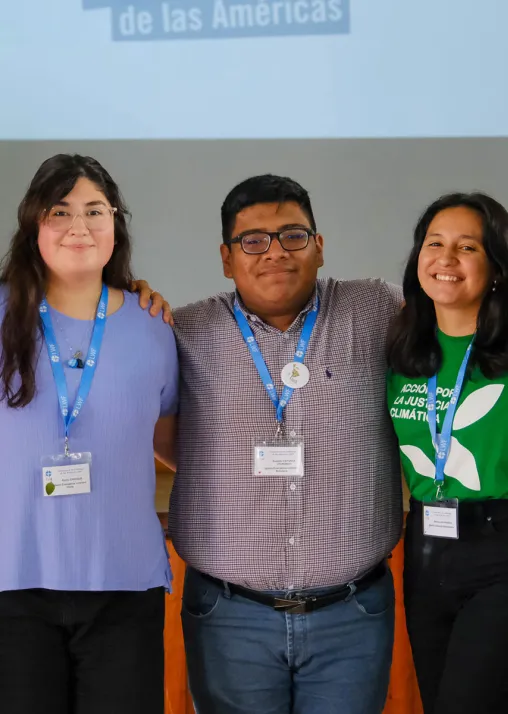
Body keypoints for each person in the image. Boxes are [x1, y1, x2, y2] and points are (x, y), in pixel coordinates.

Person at [168, 174, 403, 714]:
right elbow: (162, 435)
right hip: (229, 616)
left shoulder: (376, 310)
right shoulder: (183, 331)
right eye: (253, 240)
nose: (274, 252)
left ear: (319, 247)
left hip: (353, 615)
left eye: (292, 235)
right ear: (227, 258)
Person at [0, 154, 178, 714]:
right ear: (34, 225)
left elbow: (171, 443)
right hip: (12, 585)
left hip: (123, 586)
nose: (80, 226)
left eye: (96, 210)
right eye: (61, 211)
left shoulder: (154, 326)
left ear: (116, 224)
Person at [386, 192, 508, 714]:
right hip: (425, 551)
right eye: (434, 243)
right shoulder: (401, 347)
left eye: (468, 247)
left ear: (497, 267)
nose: (446, 259)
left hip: (498, 551)